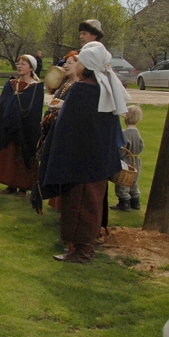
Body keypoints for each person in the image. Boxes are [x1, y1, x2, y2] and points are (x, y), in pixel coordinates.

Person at [37, 43, 127, 263]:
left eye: (79, 61)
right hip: (97, 161)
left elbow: (68, 127)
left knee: (79, 207)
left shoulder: (82, 89)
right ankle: (82, 248)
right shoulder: (103, 89)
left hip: (80, 161)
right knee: (91, 205)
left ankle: (80, 252)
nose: (75, 65)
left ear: (87, 65)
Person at [0, 55, 44, 197]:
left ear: (31, 67)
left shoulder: (35, 87)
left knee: (23, 155)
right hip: (9, 127)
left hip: (26, 129)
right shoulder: (11, 84)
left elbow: (35, 109)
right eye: (18, 63)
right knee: (9, 154)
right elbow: (2, 104)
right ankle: (9, 184)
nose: (19, 66)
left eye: (23, 64)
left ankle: (23, 186)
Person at [33, 50, 80, 212]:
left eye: (70, 63)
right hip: (54, 128)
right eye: (65, 62)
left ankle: (65, 203)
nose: (66, 66)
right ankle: (55, 201)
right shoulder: (66, 84)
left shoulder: (79, 86)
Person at [110, 105, 144, 212]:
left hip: (126, 162)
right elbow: (141, 146)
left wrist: (117, 158)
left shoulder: (125, 133)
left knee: (123, 182)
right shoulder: (137, 132)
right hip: (136, 160)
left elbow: (122, 149)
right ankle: (135, 201)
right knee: (133, 181)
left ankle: (124, 202)